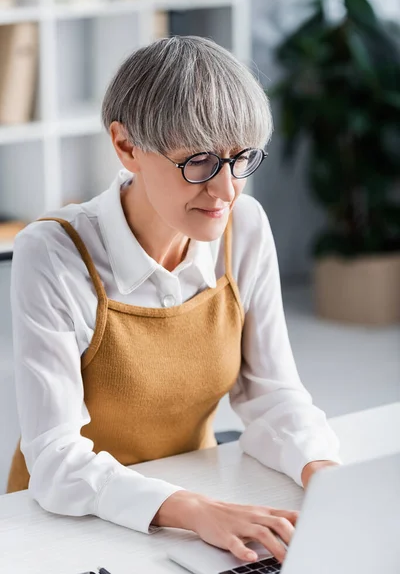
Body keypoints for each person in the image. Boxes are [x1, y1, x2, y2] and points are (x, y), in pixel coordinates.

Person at [7, 36, 341, 564]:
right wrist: (193, 510)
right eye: (200, 162)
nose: (227, 191)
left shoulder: (245, 227)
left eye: (240, 159)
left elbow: (271, 396)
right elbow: (54, 459)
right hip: (65, 519)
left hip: (197, 494)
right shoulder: (52, 253)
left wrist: (323, 474)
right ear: (125, 146)